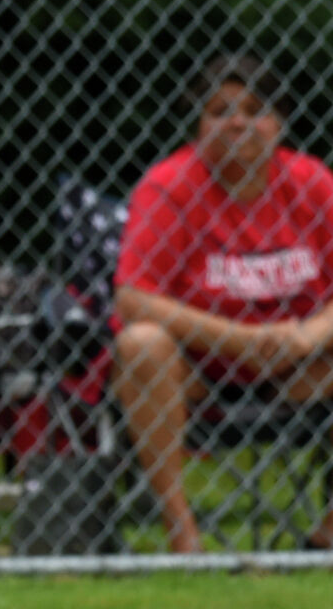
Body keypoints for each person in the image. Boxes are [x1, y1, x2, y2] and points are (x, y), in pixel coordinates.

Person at [113, 55, 333, 554]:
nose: (239, 122)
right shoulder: (170, 186)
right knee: (142, 344)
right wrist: (241, 342)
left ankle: (327, 537)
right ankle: (183, 537)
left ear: (279, 124)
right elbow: (133, 297)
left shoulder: (312, 182)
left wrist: (306, 337)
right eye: (220, 110)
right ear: (199, 125)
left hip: (294, 369)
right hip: (199, 372)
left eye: (255, 109)